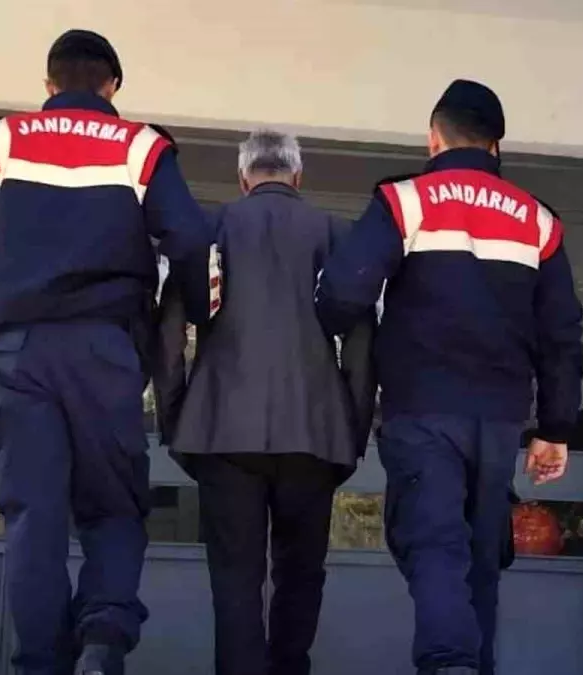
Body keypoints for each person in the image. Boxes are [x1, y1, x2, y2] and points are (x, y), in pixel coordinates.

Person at [0, 29, 213, 675]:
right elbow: (192, 240)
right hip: (107, 351)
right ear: (113, 86)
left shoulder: (0, 142)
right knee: (114, 507)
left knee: (35, 517)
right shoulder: (142, 146)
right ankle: (103, 639)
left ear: (48, 85)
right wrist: (197, 318)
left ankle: (40, 664)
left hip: (21, 355)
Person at [315, 80, 583, 675]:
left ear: (433, 139)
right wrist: (555, 427)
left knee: (434, 543)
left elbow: (343, 290)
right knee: (480, 558)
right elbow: (563, 333)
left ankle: (450, 664)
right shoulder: (538, 221)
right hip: (499, 419)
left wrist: (332, 331)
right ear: (496, 146)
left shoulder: (405, 201)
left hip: (422, 409)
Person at [153, 130, 376, 675]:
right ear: (297, 176)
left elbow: (169, 334)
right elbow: (362, 341)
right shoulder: (336, 234)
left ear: (242, 178)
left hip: (221, 428)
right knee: (302, 574)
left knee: (235, 578)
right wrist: (352, 426)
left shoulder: (208, 230)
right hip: (315, 431)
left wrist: (177, 417)